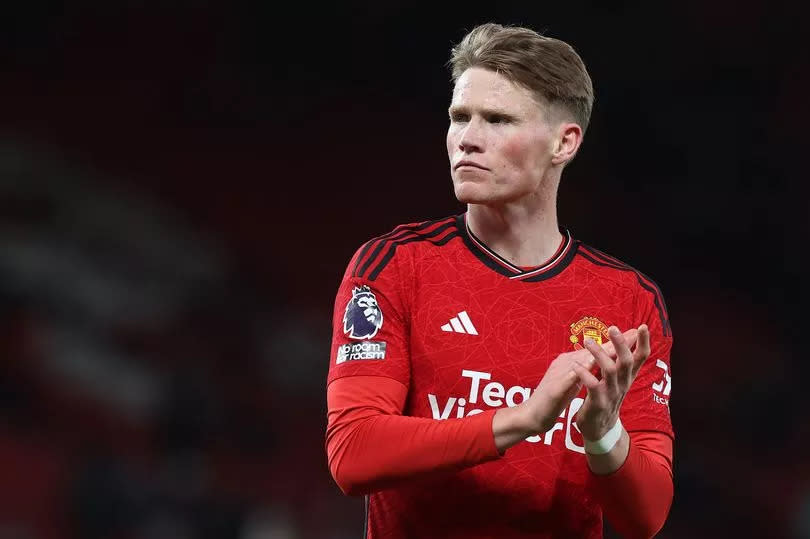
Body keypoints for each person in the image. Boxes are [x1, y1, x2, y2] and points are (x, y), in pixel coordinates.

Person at [325, 22, 674, 539]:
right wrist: (524, 418)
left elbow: (645, 518)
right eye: (459, 117)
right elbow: (353, 453)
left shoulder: (628, 300)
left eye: (497, 119)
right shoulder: (394, 267)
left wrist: (602, 435)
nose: (467, 139)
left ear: (564, 142)